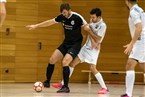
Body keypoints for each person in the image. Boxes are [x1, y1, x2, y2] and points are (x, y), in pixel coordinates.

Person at [26, 3, 87, 93]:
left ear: (69, 10)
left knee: (65, 62)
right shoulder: (62, 17)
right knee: (52, 59)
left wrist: (94, 41)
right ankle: (47, 82)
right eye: (63, 13)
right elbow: (50, 22)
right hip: (66, 43)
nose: (64, 15)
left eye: (65, 13)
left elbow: (87, 27)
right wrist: (36, 25)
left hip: (75, 45)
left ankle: (65, 87)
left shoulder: (77, 17)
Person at [52, 8, 109, 94]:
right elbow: (89, 33)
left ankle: (104, 88)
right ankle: (63, 84)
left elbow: (98, 39)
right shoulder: (92, 20)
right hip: (86, 47)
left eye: (93, 17)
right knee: (72, 63)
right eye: (91, 17)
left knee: (92, 68)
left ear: (99, 17)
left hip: (94, 49)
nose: (91, 19)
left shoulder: (103, 26)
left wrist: (89, 31)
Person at [121, 0, 145, 97]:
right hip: (142, 41)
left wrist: (132, 43)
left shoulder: (133, 11)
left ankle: (128, 94)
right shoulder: (140, 9)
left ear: (126, 1)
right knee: (143, 66)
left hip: (140, 41)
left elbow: (139, 27)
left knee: (130, 64)